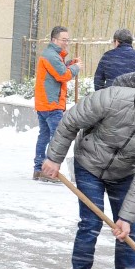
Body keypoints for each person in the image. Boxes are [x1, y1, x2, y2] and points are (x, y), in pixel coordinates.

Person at [39, 77, 135, 269]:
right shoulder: (113, 99)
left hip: (126, 172)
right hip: (89, 164)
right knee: (90, 224)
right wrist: (54, 158)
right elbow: (70, 122)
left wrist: (126, 218)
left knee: (130, 232)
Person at [33, 27, 79, 181]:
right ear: (54, 40)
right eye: (63, 40)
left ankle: (39, 168)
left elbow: (58, 71)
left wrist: (70, 64)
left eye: (67, 39)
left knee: (45, 136)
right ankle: (48, 172)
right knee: (56, 137)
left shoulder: (51, 55)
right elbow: (62, 75)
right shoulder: (51, 55)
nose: (66, 43)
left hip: (44, 103)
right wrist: (75, 68)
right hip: (51, 104)